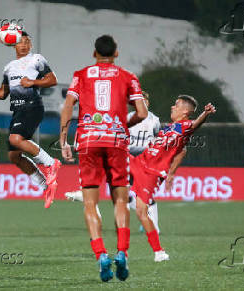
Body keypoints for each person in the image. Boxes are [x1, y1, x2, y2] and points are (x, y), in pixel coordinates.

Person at [60, 35, 148, 282]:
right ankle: (122, 252)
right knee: (120, 200)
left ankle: (100, 254)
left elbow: (68, 107)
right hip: (116, 142)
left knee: (90, 203)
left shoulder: (81, 75)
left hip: (88, 142)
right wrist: (124, 124)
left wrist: (64, 140)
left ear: (94, 53)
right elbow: (142, 113)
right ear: (116, 53)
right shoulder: (129, 76)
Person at [0, 30, 61, 208]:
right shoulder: (9, 67)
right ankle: (45, 185)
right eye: (21, 41)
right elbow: (2, 94)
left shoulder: (37, 59)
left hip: (32, 106)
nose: (24, 44)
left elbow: (52, 80)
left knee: (16, 139)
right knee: (14, 156)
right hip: (18, 110)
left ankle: (51, 163)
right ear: (13, 44)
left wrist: (33, 82)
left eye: (27, 41)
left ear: (30, 45)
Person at [65, 92, 170, 234]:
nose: (141, 103)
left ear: (148, 103)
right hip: (127, 156)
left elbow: (158, 141)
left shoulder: (154, 120)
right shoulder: (127, 117)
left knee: (137, 195)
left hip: (144, 160)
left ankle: (152, 224)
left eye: (144, 100)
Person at [131, 96, 216, 262]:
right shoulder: (170, 127)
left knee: (141, 212)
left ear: (185, 111)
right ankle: (86, 190)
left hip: (152, 172)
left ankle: (159, 252)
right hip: (140, 162)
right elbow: (182, 151)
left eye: (176, 105)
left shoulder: (185, 126)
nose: (172, 107)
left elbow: (195, 125)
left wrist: (205, 114)